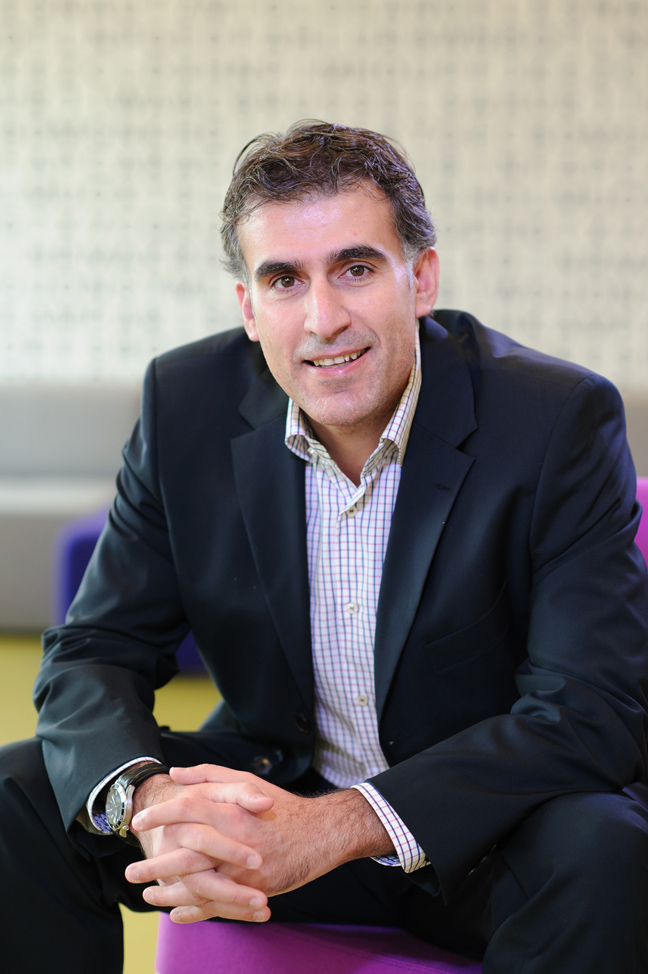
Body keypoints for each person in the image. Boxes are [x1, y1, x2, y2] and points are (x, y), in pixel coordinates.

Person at [1, 120, 648, 973]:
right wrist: (148, 801)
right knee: (19, 794)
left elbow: (589, 710)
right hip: (277, 797)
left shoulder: (556, 420)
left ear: (421, 278)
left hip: (481, 832)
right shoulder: (184, 405)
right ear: (248, 307)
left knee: (607, 850)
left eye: (355, 268)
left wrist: (338, 825)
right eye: (284, 280)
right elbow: (95, 650)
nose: (323, 319)